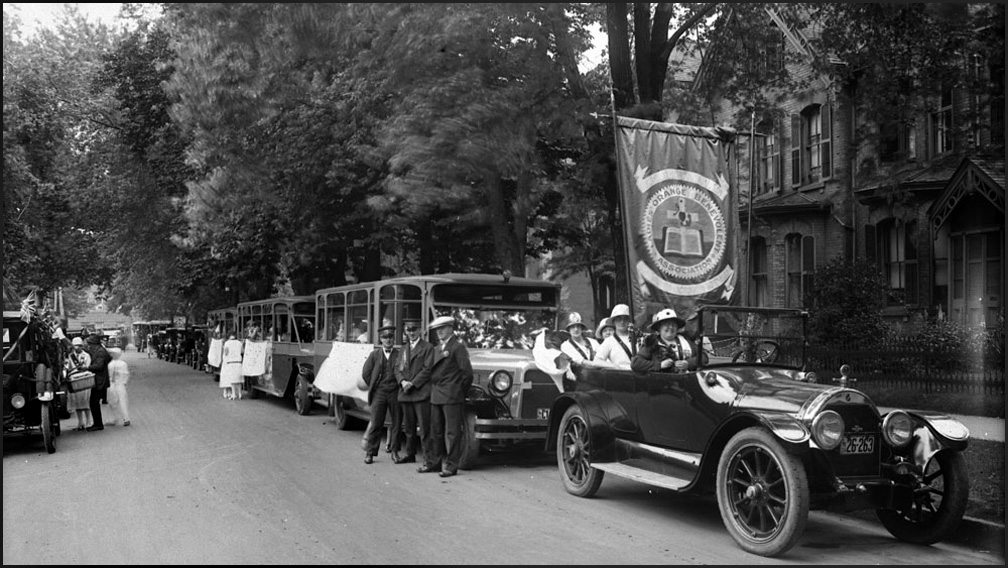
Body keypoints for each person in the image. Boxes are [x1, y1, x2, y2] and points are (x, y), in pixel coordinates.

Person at [420, 315, 473, 478]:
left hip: (451, 395)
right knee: (436, 431)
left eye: (443, 328)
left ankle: (451, 466)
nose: (439, 332)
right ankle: (434, 463)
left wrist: (457, 391)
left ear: (451, 328)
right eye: (437, 329)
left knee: (452, 433)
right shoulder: (437, 349)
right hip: (437, 395)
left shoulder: (458, 347)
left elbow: (467, 374)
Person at [394, 318, 435, 465]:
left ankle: (428, 459)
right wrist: (402, 382)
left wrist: (413, 383)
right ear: (405, 330)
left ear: (420, 330)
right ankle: (410, 454)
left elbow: (427, 369)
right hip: (405, 393)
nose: (411, 333)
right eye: (408, 330)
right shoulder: (404, 348)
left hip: (420, 393)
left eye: (414, 329)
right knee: (409, 428)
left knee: (424, 429)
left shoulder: (428, 347)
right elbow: (397, 368)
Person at [361, 325, 401, 464]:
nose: (388, 340)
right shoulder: (375, 355)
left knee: (397, 422)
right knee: (376, 422)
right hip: (380, 392)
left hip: (395, 392)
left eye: (390, 337)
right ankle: (370, 453)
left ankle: (395, 452)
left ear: (393, 339)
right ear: (380, 339)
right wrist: (374, 385)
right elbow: (366, 372)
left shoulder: (399, 354)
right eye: (385, 337)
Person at [631, 308, 707, 373]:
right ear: (659, 328)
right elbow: (636, 363)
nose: (670, 327)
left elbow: (704, 357)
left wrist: (688, 363)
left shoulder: (686, 340)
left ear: (677, 328)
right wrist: (660, 365)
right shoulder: (652, 343)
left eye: (673, 325)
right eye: (666, 324)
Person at [593, 304, 637, 370]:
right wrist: (615, 367)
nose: (622, 322)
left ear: (629, 321)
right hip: (619, 376)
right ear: (614, 321)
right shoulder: (609, 341)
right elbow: (597, 361)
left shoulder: (639, 338)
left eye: (625, 319)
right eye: (619, 319)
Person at [84, 330, 111, 431]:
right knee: (93, 402)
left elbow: (99, 366)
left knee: (94, 403)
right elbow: (109, 359)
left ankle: (98, 424)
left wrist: (87, 368)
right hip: (100, 379)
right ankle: (97, 423)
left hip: (100, 380)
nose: (90, 346)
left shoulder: (100, 352)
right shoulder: (100, 350)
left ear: (94, 344)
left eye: (90, 344)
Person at [65, 336, 93, 431]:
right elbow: (68, 367)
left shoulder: (86, 355)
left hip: (84, 379)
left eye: (79, 346)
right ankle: (80, 422)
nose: (77, 348)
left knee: (86, 402)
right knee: (77, 403)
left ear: (82, 346)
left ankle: (89, 421)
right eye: (76, 346)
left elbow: (87, 366)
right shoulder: (70, 356)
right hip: (74, 380)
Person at [105, 347, 131, 426]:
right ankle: (126, 418)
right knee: (122, 401)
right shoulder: (123, 363)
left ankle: (113, 418)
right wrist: (124, 382)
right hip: (120, 384)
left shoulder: (110, 364)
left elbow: (109, 375)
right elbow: (126, 374)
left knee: (112, 401)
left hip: (112, 384)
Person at [220, 333, 244, 400]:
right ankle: (240, 393)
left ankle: (233, 394)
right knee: (239, 380)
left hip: (231, 363)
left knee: (232, 380)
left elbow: (226, 353)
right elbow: (242, 351)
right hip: (239, 362)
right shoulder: (239, 343)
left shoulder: (227, 343)